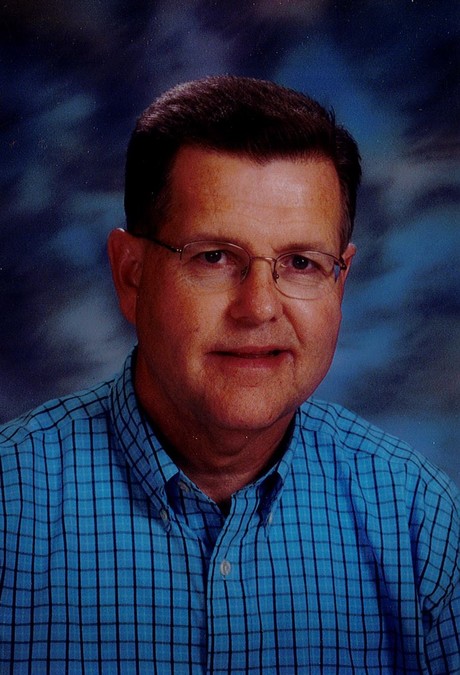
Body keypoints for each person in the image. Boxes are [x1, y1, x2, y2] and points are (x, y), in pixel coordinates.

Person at [1, 76, 458, 674]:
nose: (259, 307)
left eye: (301, 263)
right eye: (214, 257)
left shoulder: (419, 522)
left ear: (340, 282)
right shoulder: (11, 508)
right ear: (131, 274)